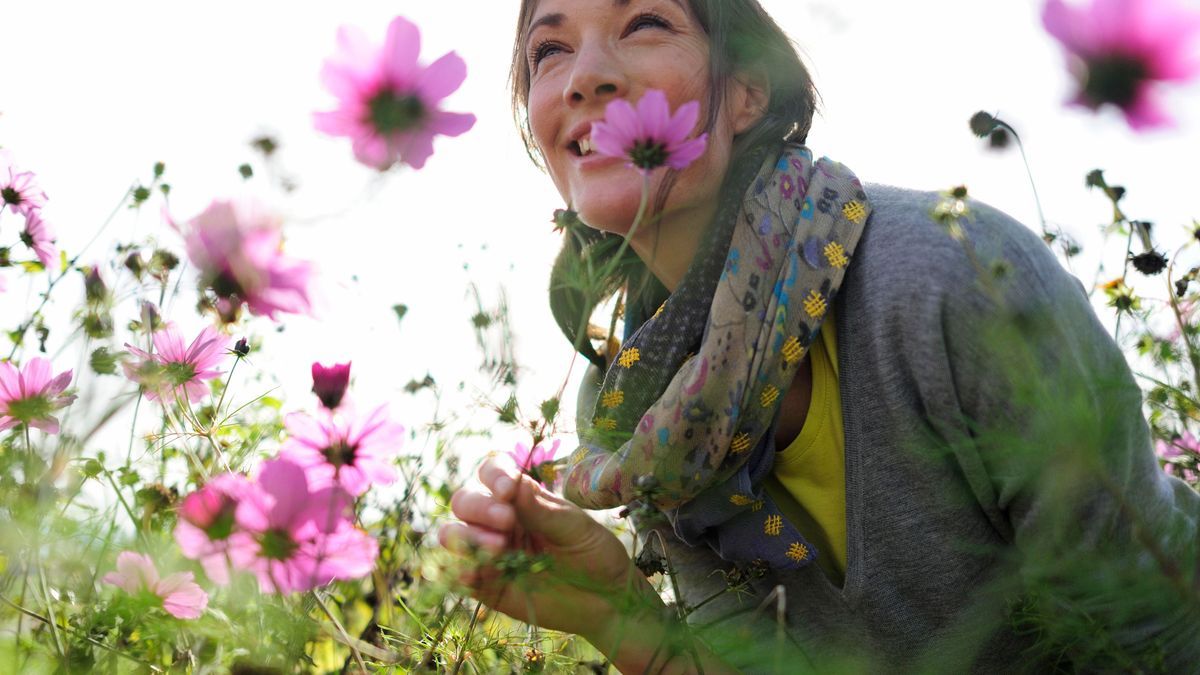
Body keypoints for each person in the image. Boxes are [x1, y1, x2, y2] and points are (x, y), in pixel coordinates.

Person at [439, 0, 1200, 672]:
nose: (585, 76)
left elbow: (1150, 635)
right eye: (549, 50)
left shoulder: (952, 274)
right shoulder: (635, 416)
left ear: (746, 93)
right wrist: (614, 607)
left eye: (644, 23)